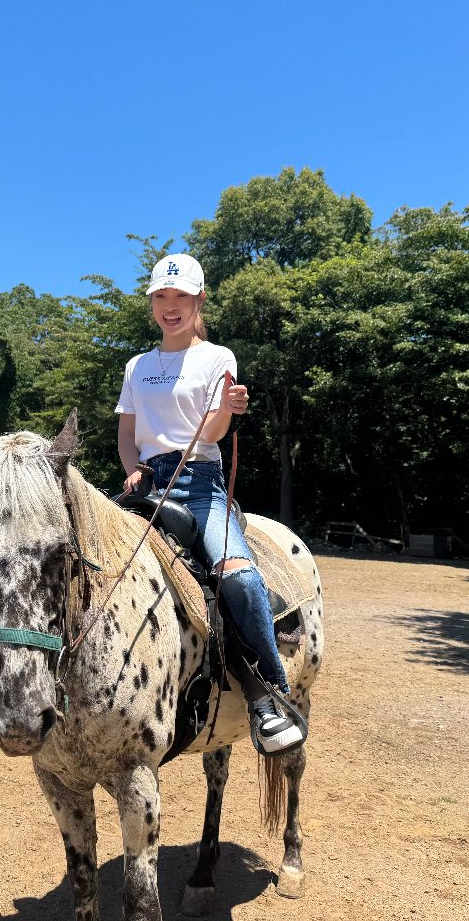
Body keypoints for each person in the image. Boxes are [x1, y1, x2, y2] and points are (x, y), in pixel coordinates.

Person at [115, 253, 303, 755]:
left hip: (200, 486)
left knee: (237, 576)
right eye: (161, 297)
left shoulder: (218, 357)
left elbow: (216, 430)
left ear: (199, 300)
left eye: (180, 297)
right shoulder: (136, 366)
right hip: (149, 486)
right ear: (152, 302)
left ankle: (268, 694)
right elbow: (127, 435)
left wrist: (227, 410)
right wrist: (133, 468)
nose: (170, 307)